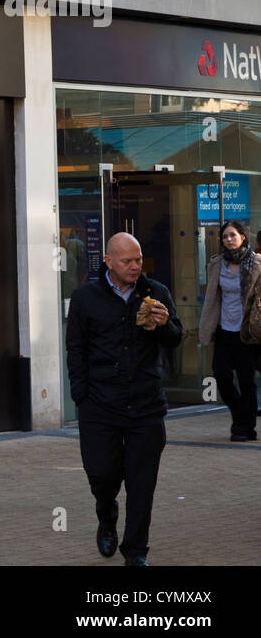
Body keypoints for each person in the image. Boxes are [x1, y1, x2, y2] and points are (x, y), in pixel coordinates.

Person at [66, 232, 183, 566]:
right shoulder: (85, 297)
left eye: (139, 260)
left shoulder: (155, 293)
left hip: (145, 405)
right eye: (127, 261)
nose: (135, 267)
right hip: (99, 405)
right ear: (108, 261)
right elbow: (76, 349)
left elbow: (175, 339)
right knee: (102, 475)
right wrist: (81, 396)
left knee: (141, 484)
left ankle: (136, 552)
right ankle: (107, 515)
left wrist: (163, 325)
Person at [199, 220, 261, 441]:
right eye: (225, 236)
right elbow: (213, 297)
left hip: (248, 331)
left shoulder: (256, 264)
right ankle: (241, 415)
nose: (228, 240)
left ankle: (245, 427)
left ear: (243, 237)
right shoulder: (217, 264)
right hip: (224, 328)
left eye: (232, 235)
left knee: (246, 380)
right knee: (221, 374)